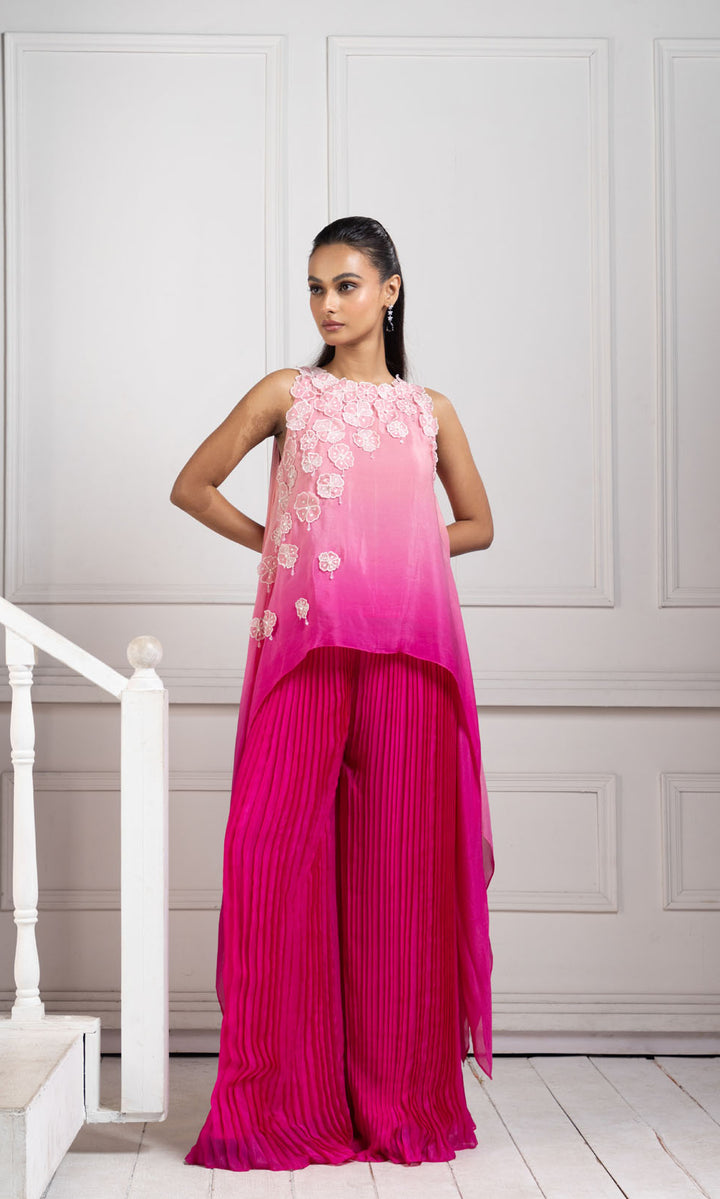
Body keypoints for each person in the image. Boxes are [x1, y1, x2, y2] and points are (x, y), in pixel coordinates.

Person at [171, 215, 495, 1173]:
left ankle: (397, 1102)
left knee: (399, 883)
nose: (327, 304)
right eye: (315, 287)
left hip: (409, 663)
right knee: (267, 863)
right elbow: (193, 485)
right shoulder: (289, 393)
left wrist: (396, 548)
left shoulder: (430, 410)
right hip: (306, 656)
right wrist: (287, 542)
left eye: (346, 285)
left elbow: (477, 522)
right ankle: (279, 1100)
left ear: (389, 290)